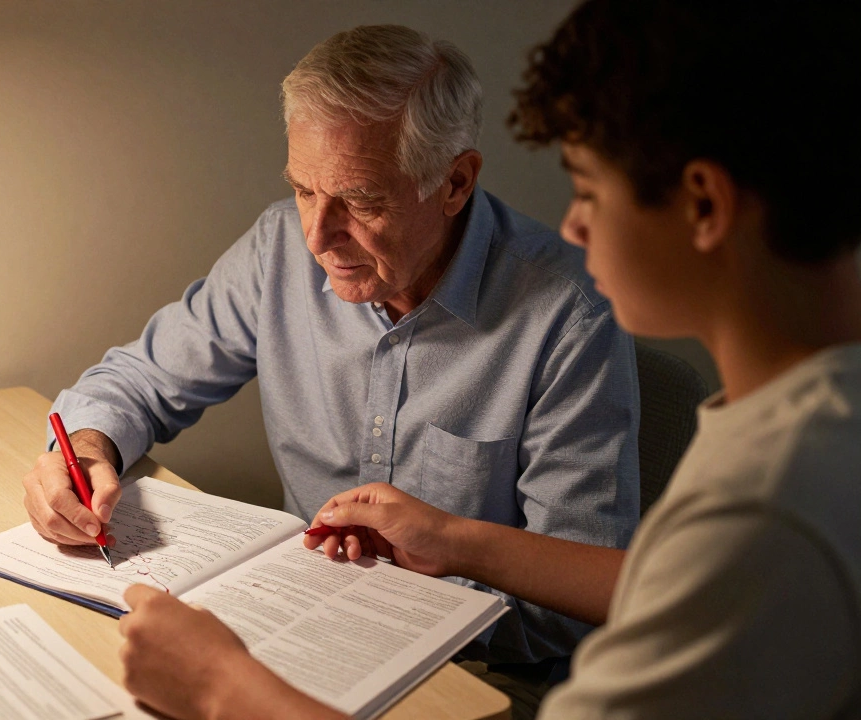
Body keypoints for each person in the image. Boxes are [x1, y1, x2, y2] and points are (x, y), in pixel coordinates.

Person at [115, 2, 861, 719]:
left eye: (589, 188)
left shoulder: (768, 510)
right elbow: (670, 583)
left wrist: (220, 688)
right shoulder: (803, 426)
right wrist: (454, 541)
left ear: (703, 206)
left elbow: (709, 578)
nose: (570, 221)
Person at [24, 24, 640, 680]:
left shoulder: (570, 313)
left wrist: (385, 614)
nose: (318, 236)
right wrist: (85, 450)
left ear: (456, 182)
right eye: (304, 190)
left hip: (482, 677)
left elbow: (581, 600)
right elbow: (140, 378)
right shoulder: (280, 247)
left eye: (362, 201)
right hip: (295, 637)